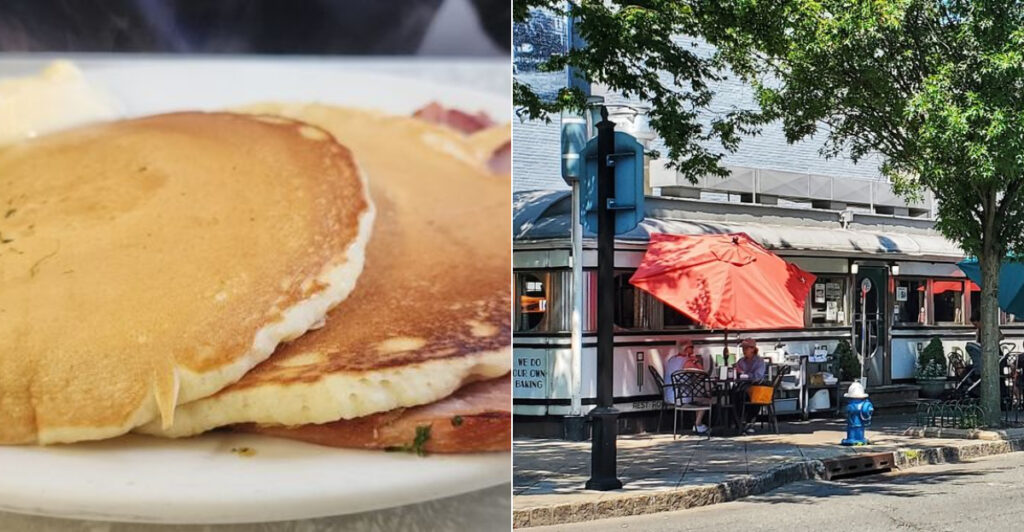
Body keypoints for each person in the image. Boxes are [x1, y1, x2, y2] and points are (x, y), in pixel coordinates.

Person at [663, 339, 711, 434]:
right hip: (680, 397)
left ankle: (698, 425)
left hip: (668, 395)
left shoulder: (671, 360)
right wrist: (697, 361)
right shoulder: (688, 361)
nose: (693, 349)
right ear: (686, 349)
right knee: (705, 398)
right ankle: (698, 425)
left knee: (699, 396)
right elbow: (702, 374)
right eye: (691, 347)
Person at [733, 337, 767, 434]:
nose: (744, 350)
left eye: (746, 348)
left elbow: (758, 377)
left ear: (753, 349)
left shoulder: (759, 361)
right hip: (743, 386)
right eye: (743, 348)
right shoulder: (741, 361)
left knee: (752, 394)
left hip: (756, 386)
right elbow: (737, 374)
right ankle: (739, 422)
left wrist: (743, 373)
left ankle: (749, 422)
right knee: (734, 393)